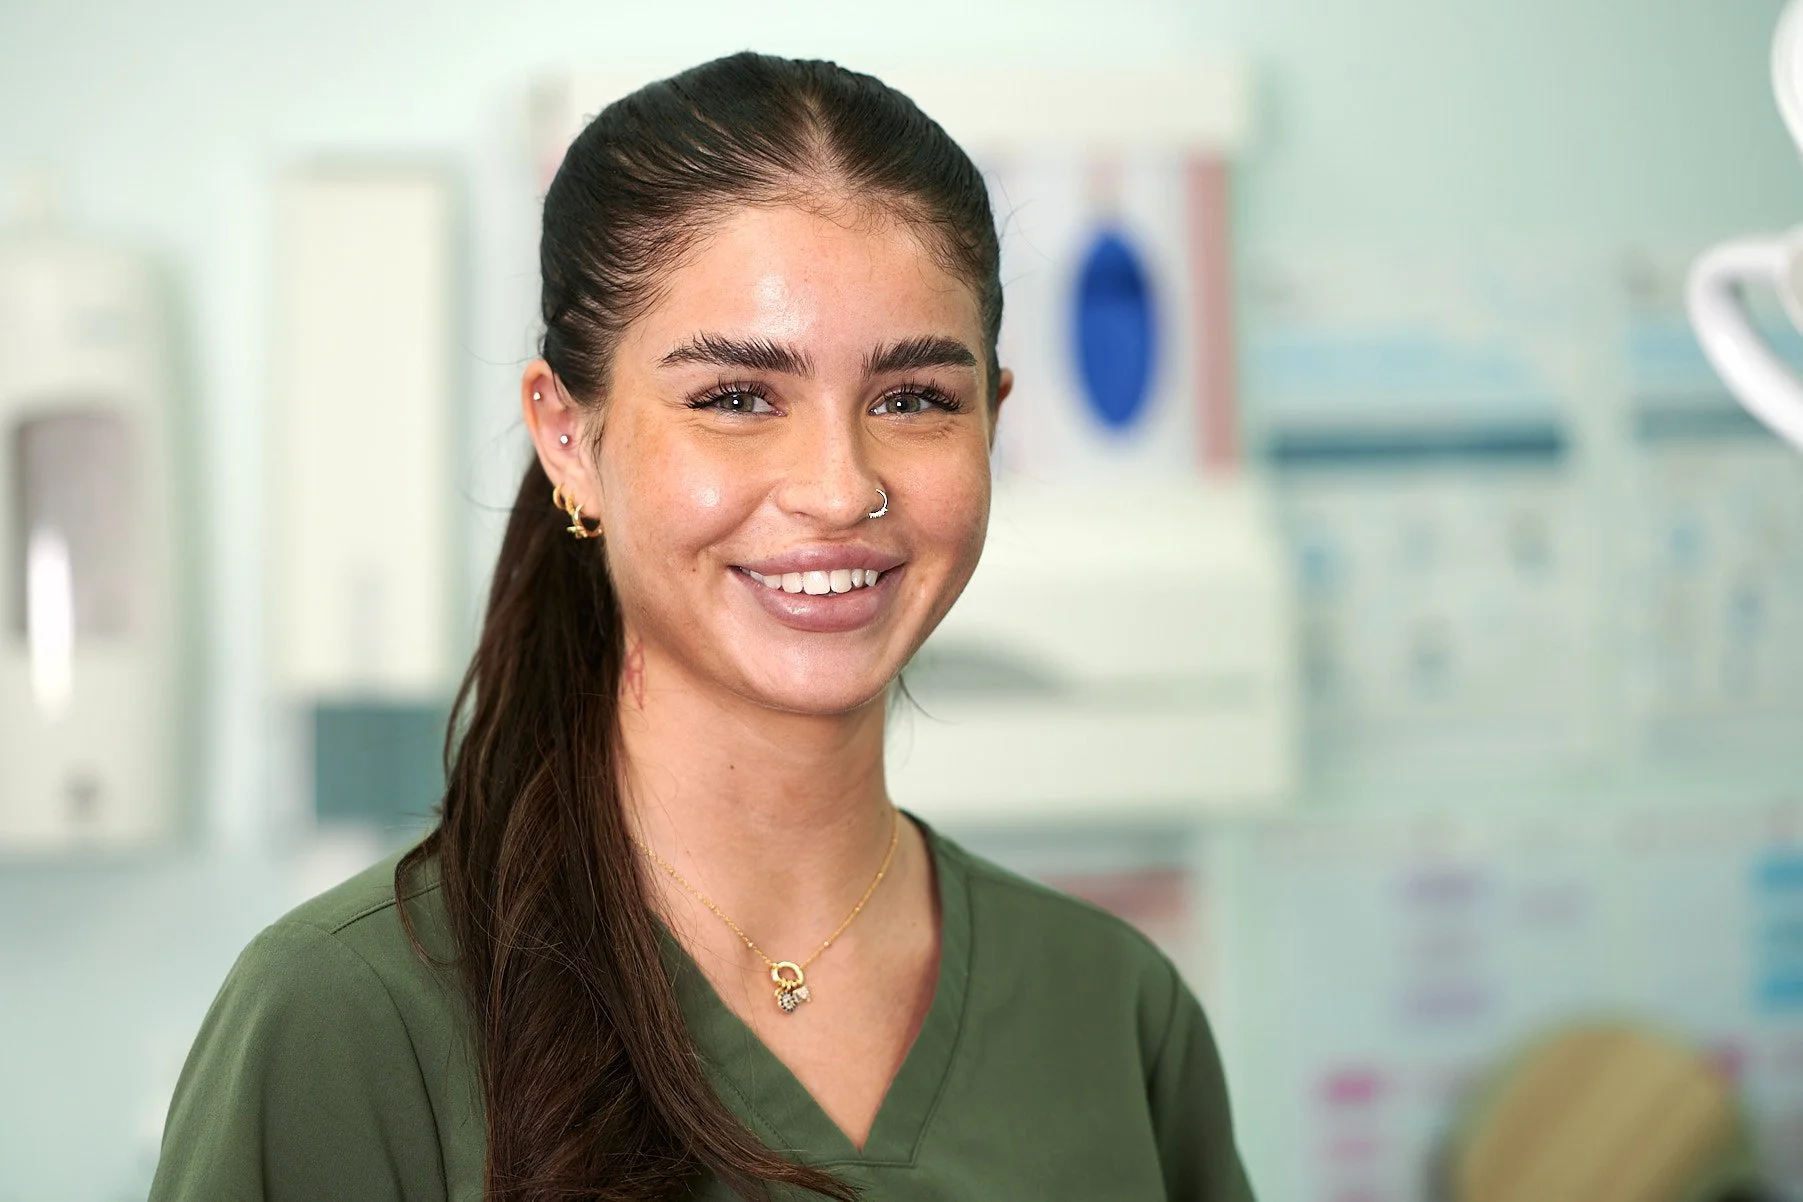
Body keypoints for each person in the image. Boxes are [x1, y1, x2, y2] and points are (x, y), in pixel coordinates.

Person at [148, 51, 1255, 1202]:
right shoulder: (354, 1023)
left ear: (993, 424)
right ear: (571, 435)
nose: (840, 486)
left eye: (915, 398)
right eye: (735, 398)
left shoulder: (1115, 1013)